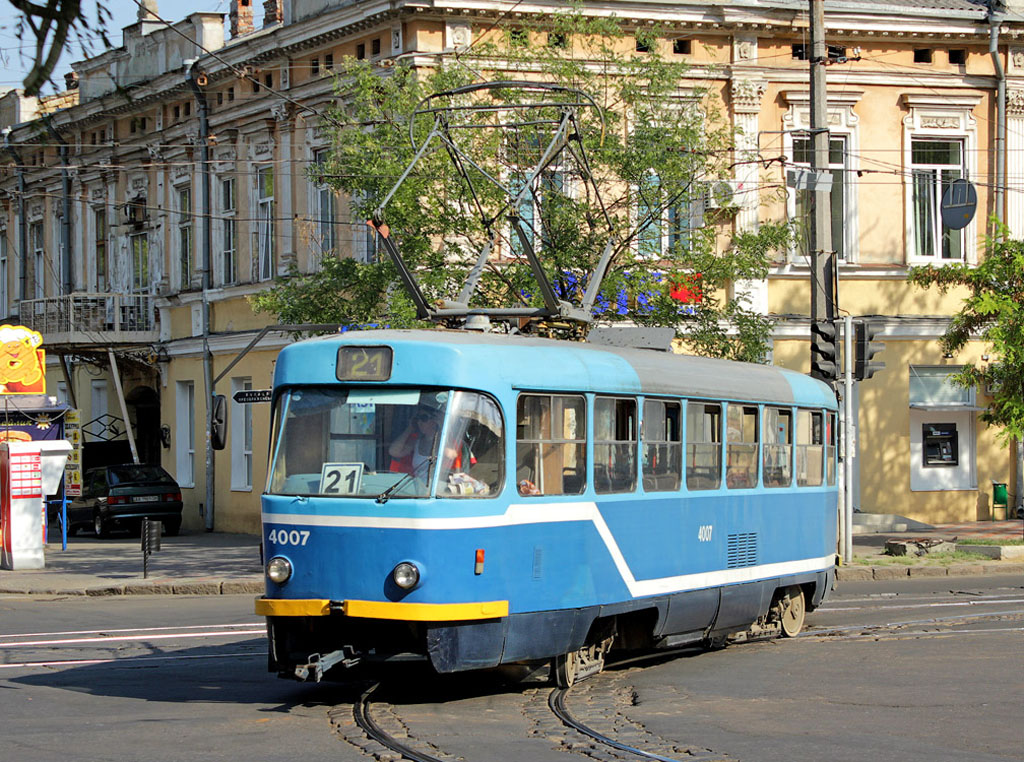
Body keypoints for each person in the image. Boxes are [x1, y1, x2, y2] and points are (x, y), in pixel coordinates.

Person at [388, 406, 440, 475]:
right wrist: (409, 428)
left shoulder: (442, 443)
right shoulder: (416, 442)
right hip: (417, 484)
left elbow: (451, 454)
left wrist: (441, 424)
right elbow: (394, 451)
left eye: (424, 418)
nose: (419, 422)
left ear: (434, 420)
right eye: (417, 419)